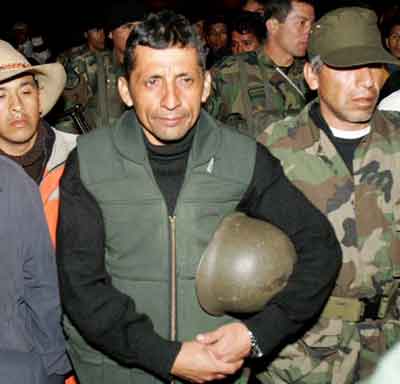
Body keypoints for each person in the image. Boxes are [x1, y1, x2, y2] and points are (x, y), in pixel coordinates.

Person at [56, 10, 341, 384]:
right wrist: (168, 357)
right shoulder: (91, 161)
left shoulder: (242, 159)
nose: (171, 100)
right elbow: (81, 287)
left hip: (218, 371)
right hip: (118, 373)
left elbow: (320, 248)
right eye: (153, 81)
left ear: (206, 86)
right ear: (126, 90)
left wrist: (256, 334)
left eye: (185, 80)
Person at [258, 7, 400, 383]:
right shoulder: (272, 151)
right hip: (301, 356)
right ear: (311, 75)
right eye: (349, 69)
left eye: (375, 67)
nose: (368, 83)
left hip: (391, 351)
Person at [0, 155, 70, 384]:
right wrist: (55, 363)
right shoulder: (11, 179)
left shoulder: (11, 180)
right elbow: (42, 285)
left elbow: (41, 284)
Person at [0, 40, 76, 245]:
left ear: (39, 99)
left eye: (25, 92)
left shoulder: (81, 157)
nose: (17, 106)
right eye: (1, 96)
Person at [206, 0, 315, 138]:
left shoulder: (314, 74)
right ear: (273, 26)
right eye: (301, 23)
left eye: (312, 24)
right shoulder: (230, 71)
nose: (309, 31)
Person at [57, 1, 146, 133]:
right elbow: (67, 119)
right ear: (110, 33)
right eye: (127, 27)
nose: (135, 33)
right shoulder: (89, 66)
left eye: (140, 27)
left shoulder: (153, 66)